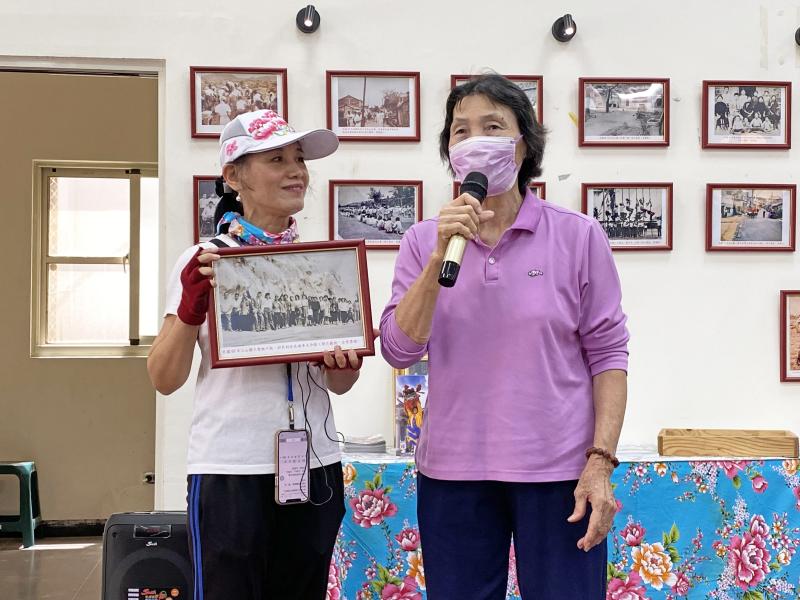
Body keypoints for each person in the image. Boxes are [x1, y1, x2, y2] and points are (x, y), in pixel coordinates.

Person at [380, 74, 629, 599]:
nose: (475, 140)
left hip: (560, 472)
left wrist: (600, 461)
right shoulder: (423, 241)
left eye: (493, 126)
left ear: (524, 144)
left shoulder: (578, 236)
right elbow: (399, 349)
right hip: (452, 473)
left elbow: (608, 356)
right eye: (460, 130)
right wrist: (439, 254)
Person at [147, 109, 367, 600]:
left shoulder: (317, 267)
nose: (296, 171)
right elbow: (163, 378)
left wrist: (345, 367)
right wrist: (188, 310)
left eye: (299, 159)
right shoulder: (203, 261)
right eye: (277, 158)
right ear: (233, 175)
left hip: (315, 465)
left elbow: (338, 385)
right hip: (231, 466)